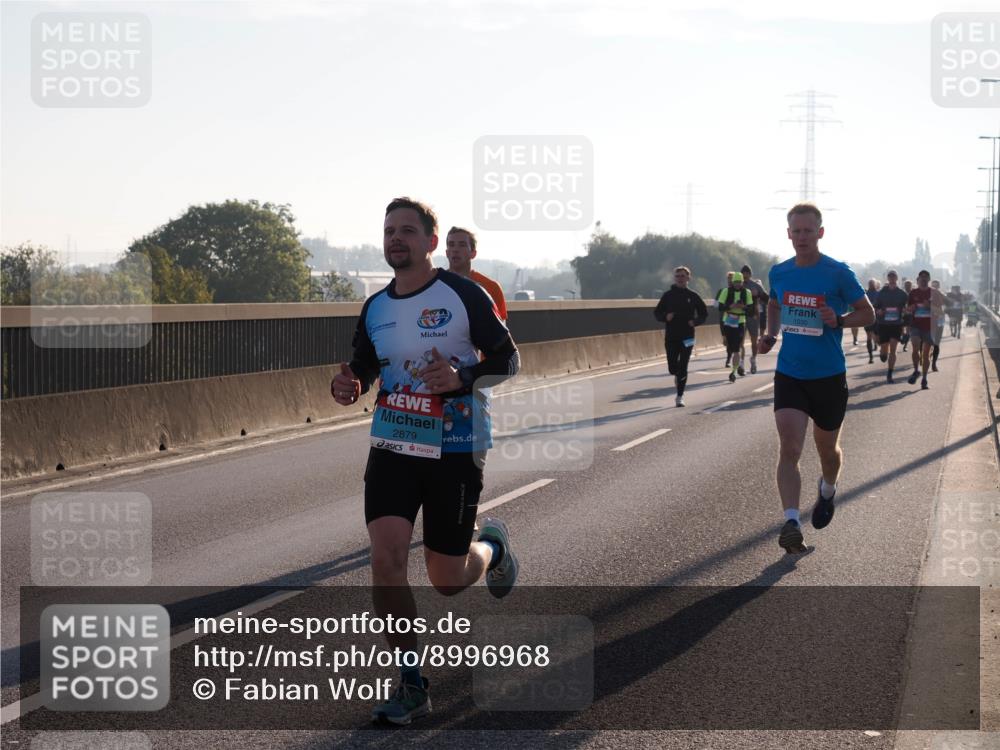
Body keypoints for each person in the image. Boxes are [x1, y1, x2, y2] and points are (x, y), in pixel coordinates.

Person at [332, 197, 521, 725]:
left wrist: (462, 378)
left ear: (430, 243)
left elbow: (509, 359)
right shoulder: (375, 307)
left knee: (446, 578)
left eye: (408, 231)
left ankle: (493, 545)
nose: (396, 239)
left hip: (455, 447)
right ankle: (412, 683)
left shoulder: (464, 294)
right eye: (389, 230)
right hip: (393, 445)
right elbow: (364, 369)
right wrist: (349, 384)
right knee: (386, 558)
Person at [758, 204, 873, 554]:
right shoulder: (779, 272)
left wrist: (837, 319)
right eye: (797, 231)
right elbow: (775, 305)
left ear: (820, 233)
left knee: (828, 449)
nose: (802, 237)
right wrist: (771, 334)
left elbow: (867, 314)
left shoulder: (837, 273)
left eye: (809, 231)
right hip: (790, 373)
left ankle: (828, 490)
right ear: (788, 233)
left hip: (828, 376)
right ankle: (792, 522)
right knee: (790, 447)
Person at [654, 266, 709, 407]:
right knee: (673, 368)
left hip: (688, 336)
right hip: (672, 335)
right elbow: (657, 313)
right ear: (674, 278)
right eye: (677, 276)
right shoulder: (668, 295)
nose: (680, 278)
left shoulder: (693, 296)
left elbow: (704, 314)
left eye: (683, 276)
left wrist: (695, 322)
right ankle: (677, 376)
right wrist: (666, 317)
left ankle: (680, 396)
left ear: (688, 278)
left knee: (683, 365)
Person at [444, 226, 508, 322]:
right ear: (447, 252)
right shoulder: (436, 284)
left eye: (462, 245)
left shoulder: (492, 287)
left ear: (473, 253)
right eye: (451, 245)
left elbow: (501, 330)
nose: (455, 249)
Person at [905, 270, 940, 390]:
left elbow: (940, 312)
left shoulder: (935, 293)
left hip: (930, 327)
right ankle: (916, 370)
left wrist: (929, 306)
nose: (924, 279)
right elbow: (908, 309)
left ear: (929, 279)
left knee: (926, 355)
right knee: (915, 346)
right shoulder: (913, 292)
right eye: (921, 277)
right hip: (916, 325)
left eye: (926, 277)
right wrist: (911, 308)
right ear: (918, 279)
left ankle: (924, 379)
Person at [717, 271, 754, 383]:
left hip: (740, 322)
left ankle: (733, 372)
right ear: (732, 282)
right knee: (730, 346)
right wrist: (731, 306)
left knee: (737, 348)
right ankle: (735, 364)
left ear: (743, 282)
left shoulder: (747, 292)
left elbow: (751, 310)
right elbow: (720, 307)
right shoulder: (726, 291)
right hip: (727, 321)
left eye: (740, 282)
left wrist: (743, 307)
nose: (737, 284)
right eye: (736, 282)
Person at [874, 270, 908, 383]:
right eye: (890, 277)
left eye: (894, 277)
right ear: (888, 279)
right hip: (883, 324)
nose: (892, 278)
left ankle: (890, 373)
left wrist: (905, 311)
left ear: (896, 278)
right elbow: (875, 307)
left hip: (896, 324)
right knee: (884, 350)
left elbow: (907, 308)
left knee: (893, 349)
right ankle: (882, 353)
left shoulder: (902, 294)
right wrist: (879, 311)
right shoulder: (881, 293)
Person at [741, 264, 768, 374]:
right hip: (740, 316)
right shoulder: (738, 285)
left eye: (747, 273)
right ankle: (741, 362)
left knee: (753, 341)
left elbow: (766, 298)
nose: (745, 275)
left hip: (753, 316)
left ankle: (753, 359)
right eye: (743, 273)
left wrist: (757, 295)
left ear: (750, 274)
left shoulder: (755, 285)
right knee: (740, 341)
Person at [717, 272, 736, 366]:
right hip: (723, 317)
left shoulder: (739, 291)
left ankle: (729, 358)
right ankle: (729, 356)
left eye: (731, 279)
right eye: (728, 279)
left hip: (735, 318)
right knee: (727, 339)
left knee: (732, 339)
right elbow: (716, 304)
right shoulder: (722, 291)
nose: (729, 281)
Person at [863, 278, 881, 364]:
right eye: (870, 283)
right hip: (867, 318)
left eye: (872, 283)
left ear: (875, 284)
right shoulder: (865, 294)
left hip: (877, 319)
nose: (871, 285)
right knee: (869, 337)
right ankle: (871, 357)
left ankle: (881, 349)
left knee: (877, 339)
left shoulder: (879, 293)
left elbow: (882, 304)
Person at [900, 279, 913, 352]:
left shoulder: (913, 293)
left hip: (910, 314)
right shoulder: (902, 293)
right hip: (902, 314)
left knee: (908, 330)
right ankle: (903, 337)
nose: (907, 287)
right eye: (906, 285)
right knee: (901, 329)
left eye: (908, 285)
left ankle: (905, 346)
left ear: (911, 286)